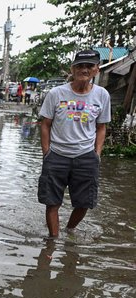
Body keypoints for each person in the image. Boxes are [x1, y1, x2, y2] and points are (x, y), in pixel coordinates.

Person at [37, 49, 111, 238]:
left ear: (97, 70)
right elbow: (45, 124)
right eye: (80, 66)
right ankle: (53, 240)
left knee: (84, 202)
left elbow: (101, 127)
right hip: (57, 155)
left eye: (89, 66)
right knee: (52, 202)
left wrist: (97, 154)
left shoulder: (102, 95)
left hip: (86, 156)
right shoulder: (56, 93)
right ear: (73, 69)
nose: (84, 69)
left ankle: (69, 230)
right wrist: (47, 153)